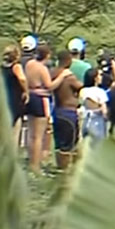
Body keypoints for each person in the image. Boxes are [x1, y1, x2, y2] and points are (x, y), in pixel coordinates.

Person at [25, 44, 73, 173]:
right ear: (47, 55)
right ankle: (35, 166)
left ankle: (30, 160)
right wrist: (62, 76)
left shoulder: (29, 64)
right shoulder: (42, 68)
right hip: (40, 99)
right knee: (38, 135)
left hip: (30, 96)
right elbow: (50, 86)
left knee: (30, 133)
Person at [52, 50, 83, 169]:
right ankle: (65, 170)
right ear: (67, 60)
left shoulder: (53, 73)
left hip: (57, 111)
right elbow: (80, 87)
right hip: (68, 112)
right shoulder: (68, 76)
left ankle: (59, 166)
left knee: (59, 143)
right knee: (69, 145)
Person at [1, 45, 28, 144]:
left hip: (3, 97)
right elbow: (22, 78)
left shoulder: (1, 67)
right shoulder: (16, 66)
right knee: (15, 129)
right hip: (15, 99)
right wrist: (26, 91)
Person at [80, 68, 109, 142]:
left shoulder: (83, 91)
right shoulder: (100, 92)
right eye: (99, 75)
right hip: (97, 123)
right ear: (95, 78)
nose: (101, 77)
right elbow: (104, 111)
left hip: (85, 121)